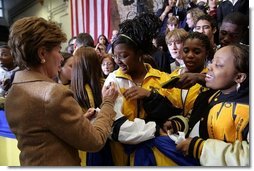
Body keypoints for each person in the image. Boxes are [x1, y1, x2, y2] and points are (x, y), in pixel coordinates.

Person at [5, 16, 119, 166]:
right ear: (42, 54)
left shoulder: (13, 91)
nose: (60, 58)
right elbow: (95, 141)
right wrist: (108, 103)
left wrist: (80, 122)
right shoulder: (52, 93)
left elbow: (43, 134)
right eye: (58, 51)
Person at [101, 13, 182, 166]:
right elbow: (115, 127)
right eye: (115, 56)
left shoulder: (163, 78)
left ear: (139, 54)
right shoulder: (113, 81)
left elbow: (176, 114)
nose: (118, 61)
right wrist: (155, 129)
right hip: (123, 159)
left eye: (123, 56)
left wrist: (151, 95)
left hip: (160, 158)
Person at [163, 44, 249, 166]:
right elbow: (196, 119)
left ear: (239, 77)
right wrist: (179, 124)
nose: (209, 67)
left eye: (218, 65)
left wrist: (200, 148)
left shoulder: (247, 109)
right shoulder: (211, 94)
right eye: (212, 62)